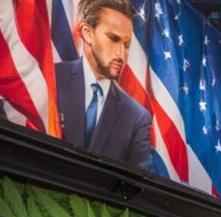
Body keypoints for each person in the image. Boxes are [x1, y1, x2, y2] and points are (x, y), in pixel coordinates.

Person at [56, 0, 151, 168]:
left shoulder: (137, 117)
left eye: (126, 45)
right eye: (113, 39)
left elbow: (139, 183)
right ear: (87, 33)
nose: (121, 54)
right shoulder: (53, 80)